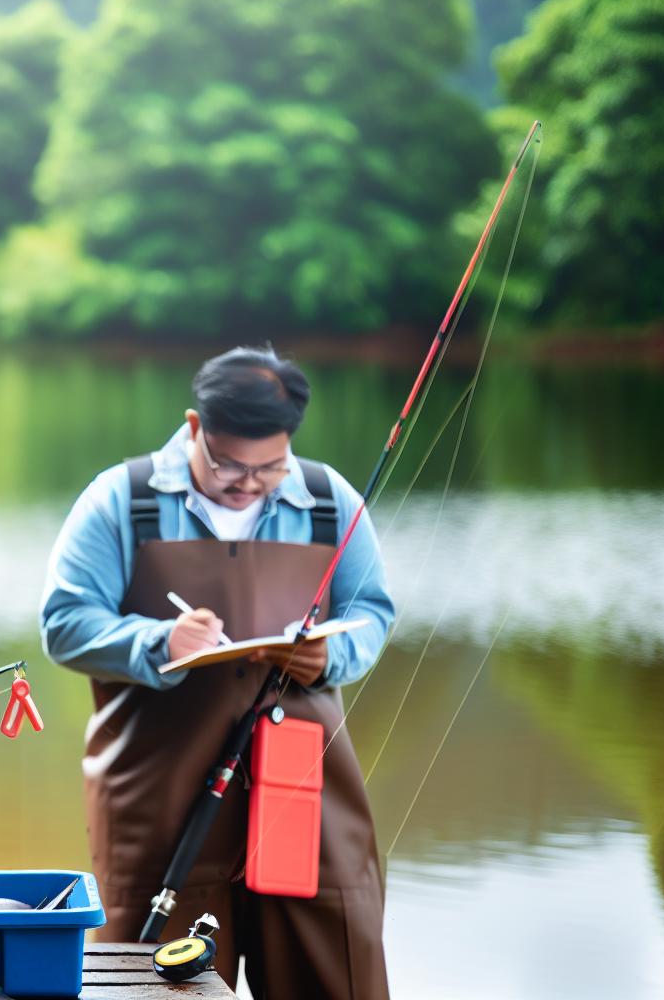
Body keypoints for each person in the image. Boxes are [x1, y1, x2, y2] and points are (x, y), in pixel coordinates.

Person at [39, 347, 396, 999]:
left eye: (270, 467)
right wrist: (158, 641)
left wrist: (329, 658)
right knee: (153, 982)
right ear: (195, 427)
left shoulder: (327, 499)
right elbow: (64, 624)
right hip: (159, 793)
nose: (249, 483)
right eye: (230, 464)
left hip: (303, 788)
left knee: (333, 964)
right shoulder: (124, 499)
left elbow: (372, 612)